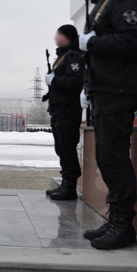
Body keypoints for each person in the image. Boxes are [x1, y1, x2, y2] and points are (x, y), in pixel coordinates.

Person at [77, 0, 137, 250]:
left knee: (115, 159)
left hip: (117, 91)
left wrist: (93, 42)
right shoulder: (104, 0)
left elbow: (135, 40)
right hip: (104, 90)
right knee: (107, 158)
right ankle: (114, 219)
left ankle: (124, 226)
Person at [43, 24, 85, 201]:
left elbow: (75, 83)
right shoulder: (63, 55)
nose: (56, 37)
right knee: (61, 147)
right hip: (59, 110)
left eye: (59, 34)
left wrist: (54, 81)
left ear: (67, 37)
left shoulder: (74, 56)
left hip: (68, 110)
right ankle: (66, 183)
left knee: (67, 148)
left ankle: (70, 187)